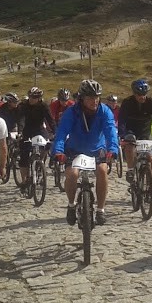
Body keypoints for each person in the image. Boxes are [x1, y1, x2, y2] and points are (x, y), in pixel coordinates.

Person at [52, 79, 119, 226]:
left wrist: (113, 149)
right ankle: (71, 205)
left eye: (97, 97)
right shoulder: (71, 112)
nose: (94, 101)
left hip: (97, 148)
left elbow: (110, 131)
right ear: (82, 98)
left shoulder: (105, 111)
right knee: (72, 174)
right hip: (75, 149)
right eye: (90, 98)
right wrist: (58, 151)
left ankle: (100, 209)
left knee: (102, 170)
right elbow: (61, 133)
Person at [118, 79, 152, 182]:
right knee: (130, 146)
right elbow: (122, 120)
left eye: (144, 94)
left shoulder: (151, 102)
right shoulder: (127, 102)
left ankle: (151, 181)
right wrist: (122, 134)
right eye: (139, 94)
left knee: (150, 157)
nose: (142, 97)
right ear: (134, 94)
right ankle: (131, 169)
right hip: (131, 130)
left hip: (145, 131)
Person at [17, 86, 55, 190]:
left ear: (39, 98)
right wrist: (20, 131)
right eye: (30, 97)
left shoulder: (43, 106)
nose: (31, 99)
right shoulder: (23, 106)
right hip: (27, 130)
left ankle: (40, 162)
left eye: (34, 98)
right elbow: (21, 119)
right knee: (24, 154)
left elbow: (50, 120)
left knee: (47, 144)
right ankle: (24, 180)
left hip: (39, 129)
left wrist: (55, 132)